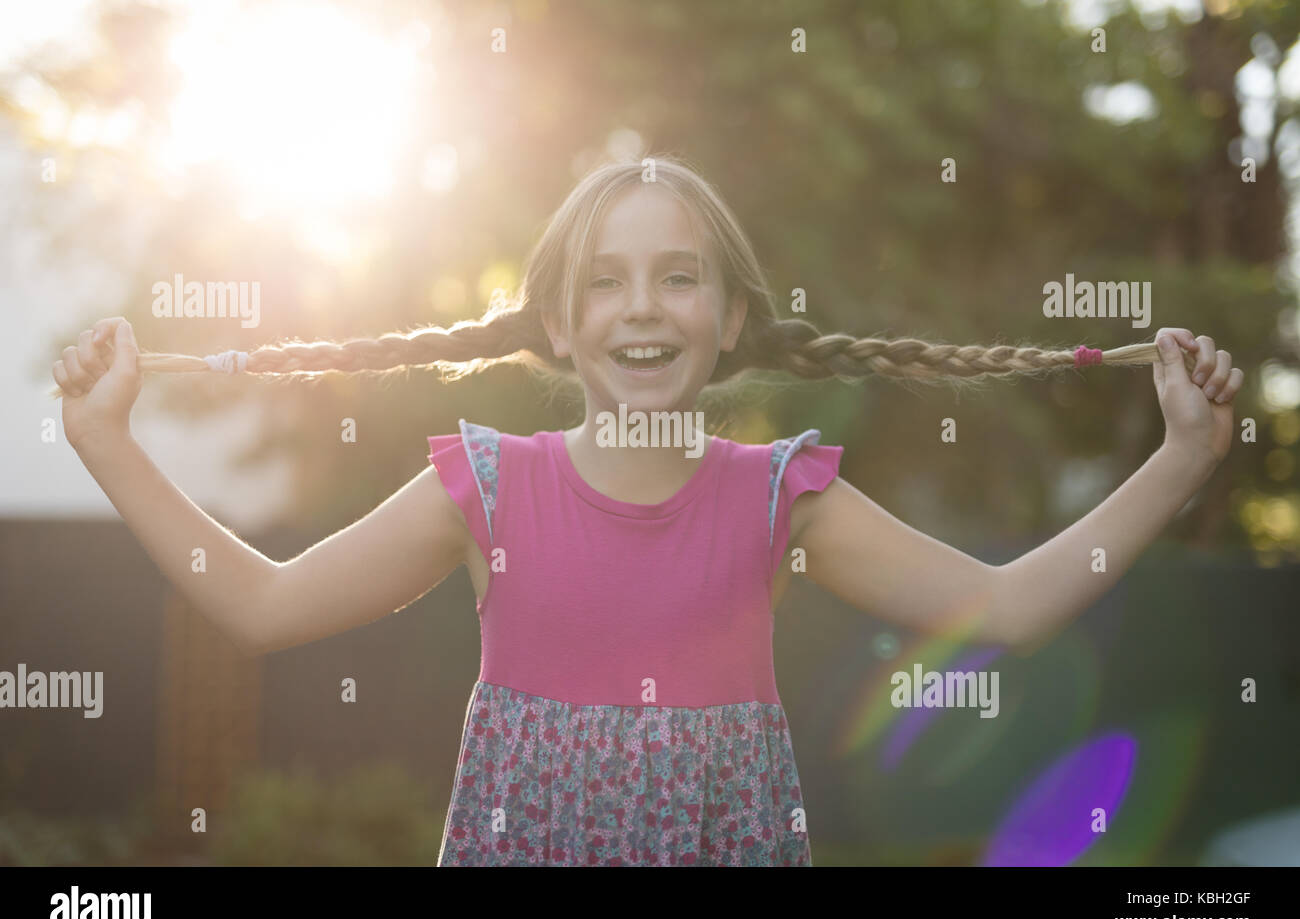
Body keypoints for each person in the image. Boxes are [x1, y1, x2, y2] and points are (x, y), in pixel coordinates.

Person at [52, 154, 1244, 866]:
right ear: (559, 326)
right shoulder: (489, 484)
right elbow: (260, 603)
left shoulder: (783, 495)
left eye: (679, 276)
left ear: (730, 318)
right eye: (605, 280)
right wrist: (104, 440)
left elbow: (1000, 605)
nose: (644, 306)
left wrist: (1182, 458)